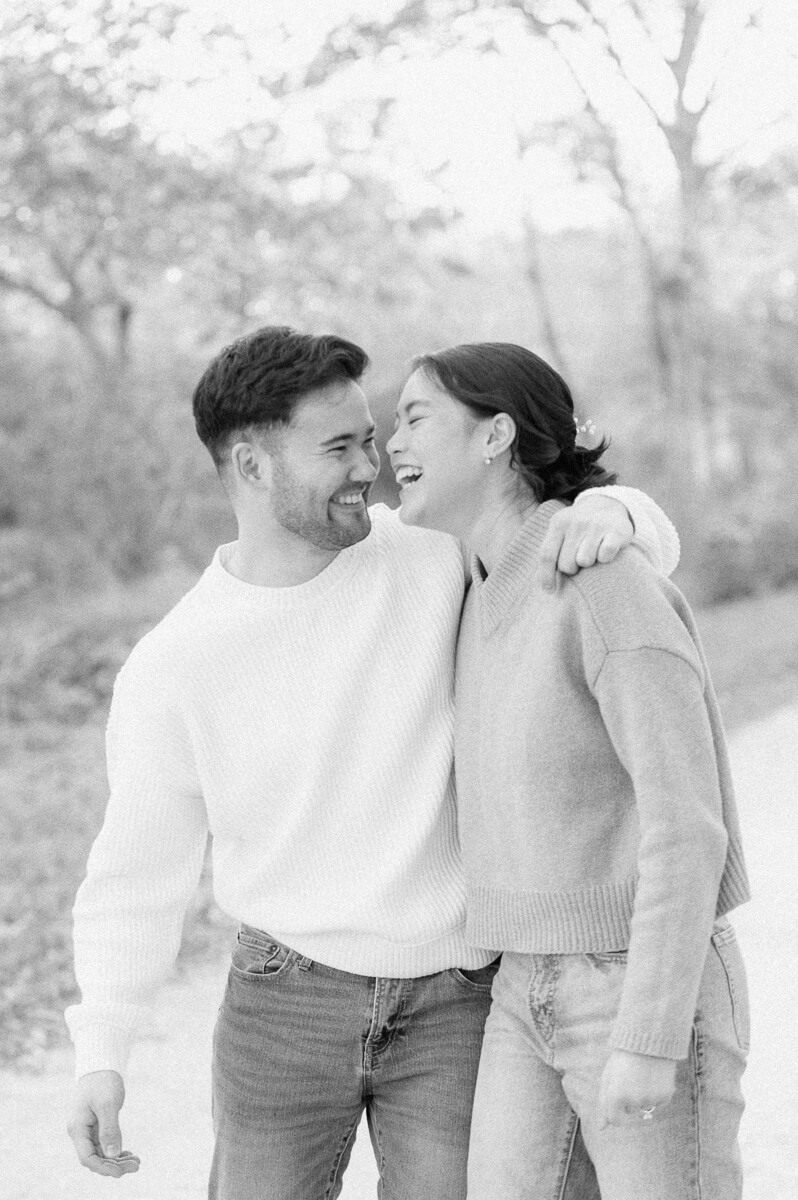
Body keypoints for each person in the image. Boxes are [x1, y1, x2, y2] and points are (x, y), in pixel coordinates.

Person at [65, 326, 679, 1200]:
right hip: (283, 1007)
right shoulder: (176, 663)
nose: (371, 466)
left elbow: (611, 544)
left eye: (371, 437)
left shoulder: (429, 552)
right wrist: (101, 1054)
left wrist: (617, 513)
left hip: (458, 1001)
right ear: (251, 465)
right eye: (340, 447)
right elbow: (135, 874)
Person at [386, 341, 751, 1200]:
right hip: (523, 983)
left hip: (635, 978)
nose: (390, 440)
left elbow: (688, 821)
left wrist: (652, 1033)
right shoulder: (473, 590)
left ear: (494, 437)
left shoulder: (599, 580)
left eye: (414, 417)